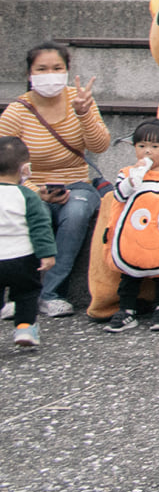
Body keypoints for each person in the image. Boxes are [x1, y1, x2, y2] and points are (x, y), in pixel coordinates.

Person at [1, 44, 108, 318]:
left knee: (76, 212)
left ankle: (50, 294)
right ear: (29, 73)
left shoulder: (80, 99)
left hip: (76, 183)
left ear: (67, 70)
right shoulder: (17, 111)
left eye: (57, 68)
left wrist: (84, 114)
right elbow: (2, 161)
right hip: (29, 185)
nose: (51, 75)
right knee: (28, 212)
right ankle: (18, 293)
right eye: (42, 69)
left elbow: (100, 145)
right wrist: (35, 192)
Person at [102, 119, 159, 333]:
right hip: (133, 237)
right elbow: (119, 195)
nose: (148, 152)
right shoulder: (126, 172)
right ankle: (126, 310)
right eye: (142, 146)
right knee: (129, 275)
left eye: (155, 147)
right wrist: (133, 179)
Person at [0, 137, 56, 353]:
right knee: (26, 293)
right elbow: (40, 226)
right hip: (22, 257)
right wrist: (48, 253)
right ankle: (24, 328)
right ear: (25, 169)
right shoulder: (27, 196)